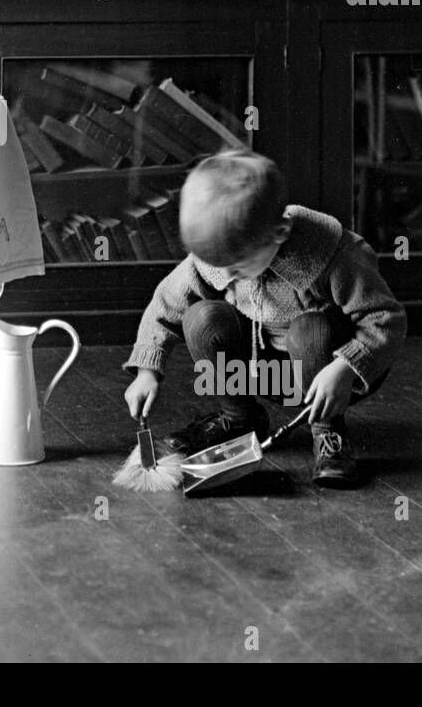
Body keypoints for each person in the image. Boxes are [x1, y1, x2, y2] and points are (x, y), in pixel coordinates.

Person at [123, 150, 406, 487]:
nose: (227, 274)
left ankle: (328, 432)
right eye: (219, 265)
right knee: (202, 318)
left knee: (310, 328)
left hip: (327, 378)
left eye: (239, 266)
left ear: (281, 231)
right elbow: (166, 303)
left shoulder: (333, 253)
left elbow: (386, 318)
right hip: (264, 373)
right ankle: (239, 420)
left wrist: (344, 368)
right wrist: (147, 371)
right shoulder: (225, 254)